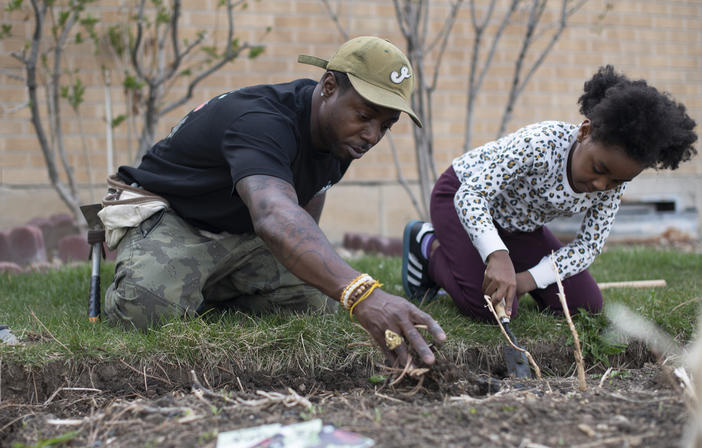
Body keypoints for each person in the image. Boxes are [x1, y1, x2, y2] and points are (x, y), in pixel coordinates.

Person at [103, 36, 446, 366]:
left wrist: (324, 277)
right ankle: (156, 278)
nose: (373, 135)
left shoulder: (338, 135)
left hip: (241, 229)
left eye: (386, 125)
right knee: (145, 313)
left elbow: (302, 210)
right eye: (365, 116)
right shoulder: (261, 122)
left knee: (320, 300)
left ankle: (204, 287)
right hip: (177, 215)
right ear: (329, 87)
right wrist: (362, 293)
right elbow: (273, 216)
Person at [402, 65, 697, 321]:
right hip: (462, 198)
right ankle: (427, 245)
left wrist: (527, 279)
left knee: (585, 305)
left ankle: (491, 257)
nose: (601, 185)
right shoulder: (540, 144)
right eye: (599, 168)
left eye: (616, 181)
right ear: (584, 132)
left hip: (518, 227)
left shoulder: (611, 182)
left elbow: (587, 246)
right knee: (491, 308)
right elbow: (472, 195)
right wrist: (497, 254)